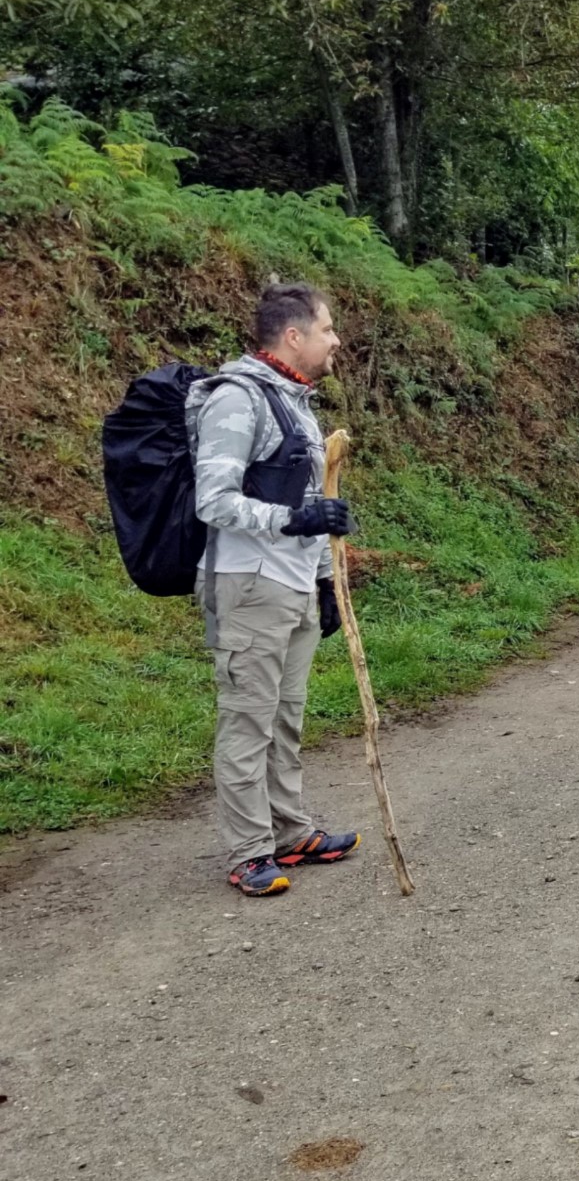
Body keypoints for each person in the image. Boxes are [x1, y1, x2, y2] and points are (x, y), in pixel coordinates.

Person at [187, 281, 361, 896]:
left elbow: (310, 502)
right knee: (248, 721)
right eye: (327, 328)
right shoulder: (236, 400)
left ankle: (289, 832)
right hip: (248, 587)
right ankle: (248, 851)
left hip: (292, 588)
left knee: (285, 719)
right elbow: (214, 500)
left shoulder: (297, 404)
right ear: (294, 336)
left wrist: (324, 584)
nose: (335, 339)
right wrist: (295, 520)